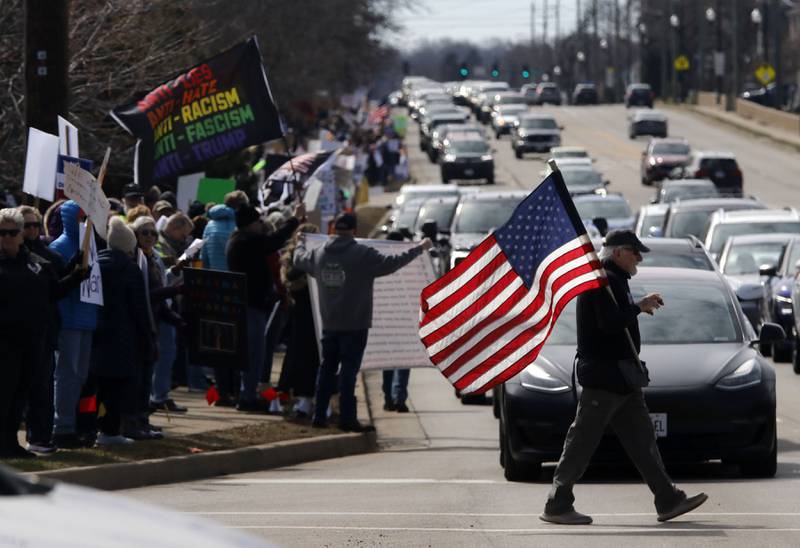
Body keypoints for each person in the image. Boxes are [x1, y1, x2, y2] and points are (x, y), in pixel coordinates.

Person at [541, 229, 708, 525]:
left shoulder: (615, 281)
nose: (639, 258)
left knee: (643, 441)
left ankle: (667, 498)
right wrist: (638, 308)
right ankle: (558, 503)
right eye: (634, 251)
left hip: (623, 379)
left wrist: (637, 306)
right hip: (604, 378)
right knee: (582, 441)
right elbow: (608, 323)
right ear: (618, 253)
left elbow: (617, 317)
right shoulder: (601, 282)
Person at [293, 212, 432, 432]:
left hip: (329, 323)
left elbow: (298, 259)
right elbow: (393, 263)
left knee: (326, 370)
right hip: (355, 325)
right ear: (354, 231)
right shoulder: (361, 254)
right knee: (349, 372)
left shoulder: (319, 254)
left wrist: (300, 243)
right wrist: (419, 248)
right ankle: (347, 419)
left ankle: (319, 416)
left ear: (333, 230)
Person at [0, 208, 87, 457]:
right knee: (4, 394)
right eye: (1, 232)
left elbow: (54, 292)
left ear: (20, 235)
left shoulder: (36, 263)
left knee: (21, 394)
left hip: (34, 341)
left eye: (12, 232)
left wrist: (76, 274)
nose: (6, 237)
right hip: (4, 343)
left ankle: (10, 444)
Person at [226, 202, 304, 412]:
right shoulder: (246, 240)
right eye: (258, 222)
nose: (261, 225)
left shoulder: (238, 239)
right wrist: (295, 220)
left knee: (252, 354)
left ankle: (247, 393)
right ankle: (248, 397)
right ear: (250, 223)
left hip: (249, 303)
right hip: (252, 305)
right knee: (254, 354)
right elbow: (274, 241)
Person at [92, 217, 152, 445]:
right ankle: (111, 431)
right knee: (118, 387)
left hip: (98, 331)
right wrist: (147, 336)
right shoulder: (130, 269)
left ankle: (94, 427)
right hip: (123, 334)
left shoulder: (97, 262)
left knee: (99, 385)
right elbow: (139, 308)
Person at [48, 200, 100, 448]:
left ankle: (75, 423)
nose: (85, 223)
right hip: (69, 319)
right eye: (81, 218)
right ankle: (62, 426)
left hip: (87, 318)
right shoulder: (59, 247)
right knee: (67, 374)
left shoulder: (91, 246)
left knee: (79, 375)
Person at [18, 206, 63, 453]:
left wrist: (76, 273)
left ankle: (40, 437)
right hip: (17, 334)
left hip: (45, 331)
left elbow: (56, 291)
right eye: (26, 226)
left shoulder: (48, 257)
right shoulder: (12, 258)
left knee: (43, 387)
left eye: (36, 225)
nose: (32, 230)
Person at [277, 223, 321, 418]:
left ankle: (307, 397)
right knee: (299, 355)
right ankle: (291, 396)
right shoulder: (293, 258)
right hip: (301, 311)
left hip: (315, 312)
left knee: (311, 356)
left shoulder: (319, 257)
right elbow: (290, 280)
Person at [380, 231, 412, 413]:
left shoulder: (380, 261)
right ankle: (398, 398)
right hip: (402, 317)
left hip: (388, 318)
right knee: (401, 360)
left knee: (389, 360)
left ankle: (390, 398)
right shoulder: (408, 262)